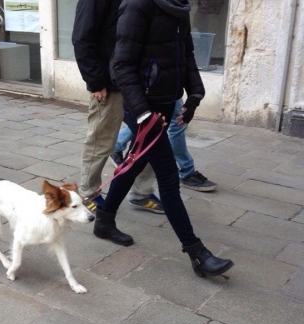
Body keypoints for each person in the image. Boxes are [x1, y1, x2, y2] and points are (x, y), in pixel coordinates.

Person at [93, 0, 234, 277]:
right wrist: (142, 113)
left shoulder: (179, 6)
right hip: (143, 108)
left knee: (134, 164)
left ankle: (104, 221)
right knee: (169, 177)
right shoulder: (137, 5)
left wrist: (194, 94)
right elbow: (121, 65)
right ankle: (197, 253)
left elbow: (187, 55)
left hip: (166, 103)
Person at [72, 0, 164, 214]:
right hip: (110, 84)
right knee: (100, 141)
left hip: (141, 82)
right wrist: (95, 81)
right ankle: (88, 193)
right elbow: (81, 38)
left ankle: (141, 193)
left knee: (150, 137)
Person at [111, 98, 218, 198]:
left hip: (167, 86)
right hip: (157, 86)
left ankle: (117, 145)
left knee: (152, 121)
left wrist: (194, 96)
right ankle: (186, 172)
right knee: (167, 122)